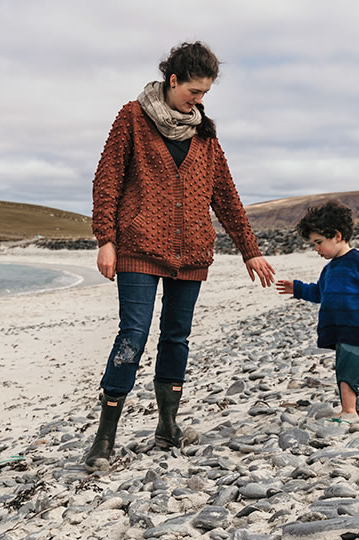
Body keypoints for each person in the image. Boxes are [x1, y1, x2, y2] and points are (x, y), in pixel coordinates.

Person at [85, 41, 275, 471]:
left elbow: (224, 194)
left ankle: (167, 426)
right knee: (132, 335)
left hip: (192, 252)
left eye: (205, 94)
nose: (199, 101)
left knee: (176, 337)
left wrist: (250, 251)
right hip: (137, 246)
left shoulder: (204, 131)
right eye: (194, 92)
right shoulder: (132, 117)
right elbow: (107, 180)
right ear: (172, 81)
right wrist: (105, 239)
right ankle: (104, 439)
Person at [275, 200, 359, 423]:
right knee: (343, 368)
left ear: (337, 236)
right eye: (313, 243)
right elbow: (320, 293)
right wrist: (299, 289)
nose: (316, 249)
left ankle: (349, 412)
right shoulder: (329, 269)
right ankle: (350, 406)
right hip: (341, 329)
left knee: (349, 366)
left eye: (319, 242)